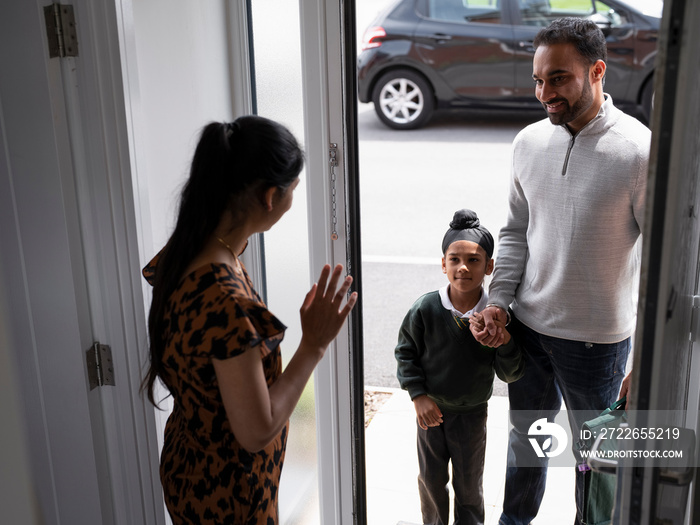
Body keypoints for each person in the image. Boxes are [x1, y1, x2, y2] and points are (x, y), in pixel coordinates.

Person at [471, 17, 651, 525]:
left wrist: (647, 362)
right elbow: (513, 232)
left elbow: (663, 266)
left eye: (558, 79)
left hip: (596, 344)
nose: (544, 92)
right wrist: (499, 304)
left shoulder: (638, 152)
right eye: (538, 79)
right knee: (526, 441)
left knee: (597, 462)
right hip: (527, 330)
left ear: (597, 71)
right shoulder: (528, 143)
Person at [141, 116, 357, 525]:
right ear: (271, 197)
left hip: (191, 464)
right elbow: (256, 432)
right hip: (228, 496)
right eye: (293, 190)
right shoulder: (224, 298)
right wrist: (315, 343)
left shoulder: (193, 248)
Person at [395, 209, 524, 525]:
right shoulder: (425, 309)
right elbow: (405, 353)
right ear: (443, 264)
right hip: (430, 415)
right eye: (454, 259)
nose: (463, 267)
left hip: (471, 417)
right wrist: (418, 396)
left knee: (468, 487)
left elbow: (511, 373)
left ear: (489, 266)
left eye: (474, 260)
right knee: (431, 481)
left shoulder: (495, 318)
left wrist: (504, 341)